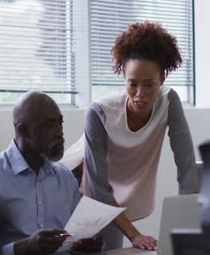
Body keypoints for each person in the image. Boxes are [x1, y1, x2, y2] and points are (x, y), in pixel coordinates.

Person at [61, 22, 199, 250]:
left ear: (162, 80)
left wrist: (190, 222)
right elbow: (97, 188)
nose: (140, 94)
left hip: (113, 192)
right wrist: (135, 235)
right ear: (123, 77)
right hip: (77, 187)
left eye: (149, 84)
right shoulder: (99, 113)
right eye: (132, 84)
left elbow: (185, 165)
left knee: (114, 249)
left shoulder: (168, 101)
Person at [0, 92, 102, 255]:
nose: (60, 132)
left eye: (60, 122)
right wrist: (21, 249)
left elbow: (79, 232)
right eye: (50, 125)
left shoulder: (64, 176)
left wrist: (89, 243)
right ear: (24, 131)